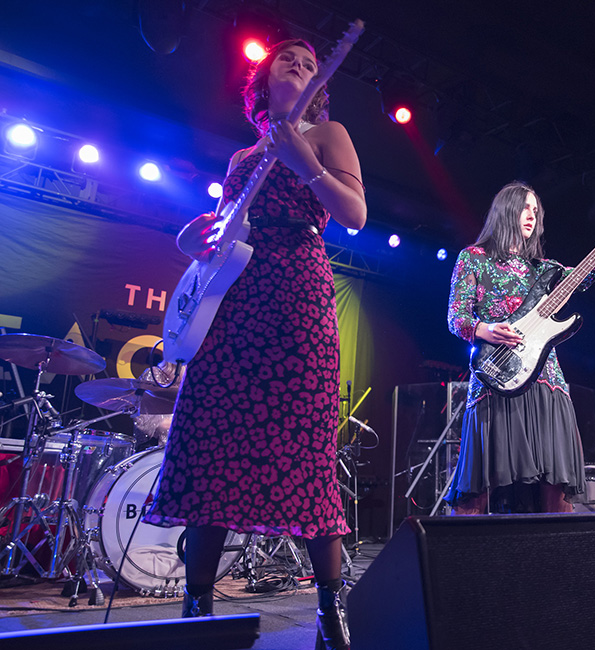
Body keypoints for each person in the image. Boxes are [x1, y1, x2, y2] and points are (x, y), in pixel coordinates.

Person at [144, 38, 365, 650]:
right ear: (262, 78)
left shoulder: (328, 134)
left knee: (302, 444)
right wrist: (202, 235)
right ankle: (198, 608)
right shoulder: (244, 153)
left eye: (310, 62)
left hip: (296, 293)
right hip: (234, 301)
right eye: (286, 58)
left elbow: (354, 214)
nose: (298, 63)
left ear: (319, 85)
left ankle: (330, 611)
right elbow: (228, 233)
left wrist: (306, 163)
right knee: (210, 437)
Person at [445, 181, 595, 514]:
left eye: (536, 210)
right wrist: (485, 329)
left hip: (547, 379)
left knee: (556, 482)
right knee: (480, 485)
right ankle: (467, 558)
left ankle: (556, 558)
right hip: (497, 376)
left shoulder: (544, 269)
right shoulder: (473, 259)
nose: (531, 215)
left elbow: (586, 275)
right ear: (506, 209)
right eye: (524, 207)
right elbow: (456, 317)